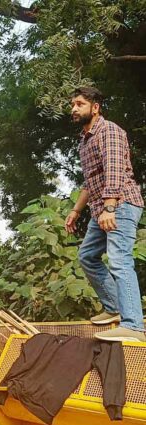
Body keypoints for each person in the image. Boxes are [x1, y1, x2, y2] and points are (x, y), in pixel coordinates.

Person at [66, 87, 145, 342]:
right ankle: (114, 308)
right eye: (72, 105)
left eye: (79, 104)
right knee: (87, 256)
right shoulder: (85, 140)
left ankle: (133, 325)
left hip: (120, 204)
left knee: (119, 260)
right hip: (101, 209)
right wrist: (76, 211)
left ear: (95, 107)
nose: (74, 109)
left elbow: (115, 170)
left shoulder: (108, 131)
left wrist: (110, 207)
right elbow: (90, 182)